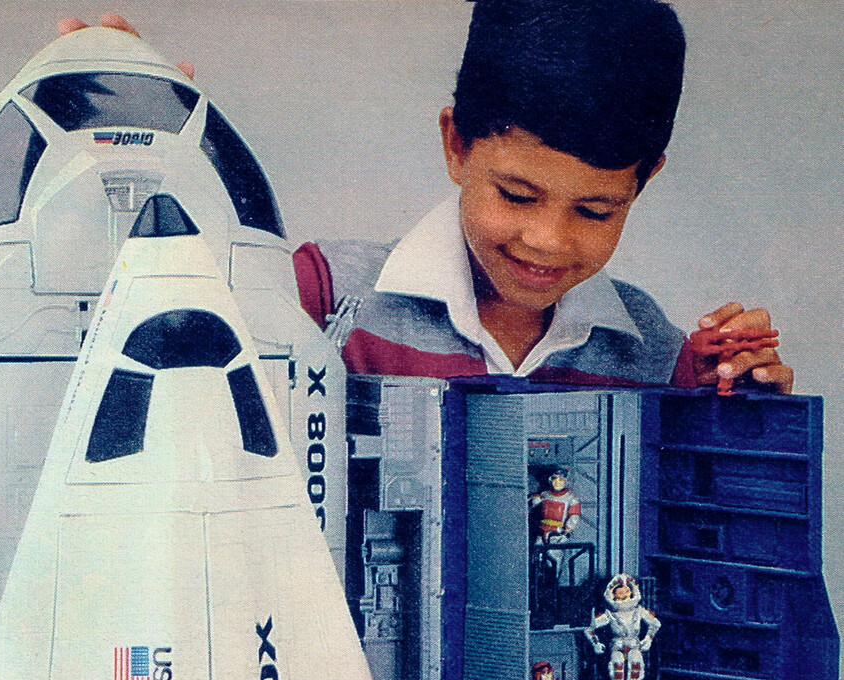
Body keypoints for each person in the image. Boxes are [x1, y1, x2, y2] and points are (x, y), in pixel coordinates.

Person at [61, 4, 791, 397]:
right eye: (517, 195)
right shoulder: (323, 295)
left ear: (644, 181)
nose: (547, 239)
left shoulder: (653, 353)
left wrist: (735, 402)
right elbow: (140, 332)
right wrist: (130, 154)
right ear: (457, 145)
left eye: (595, 211)